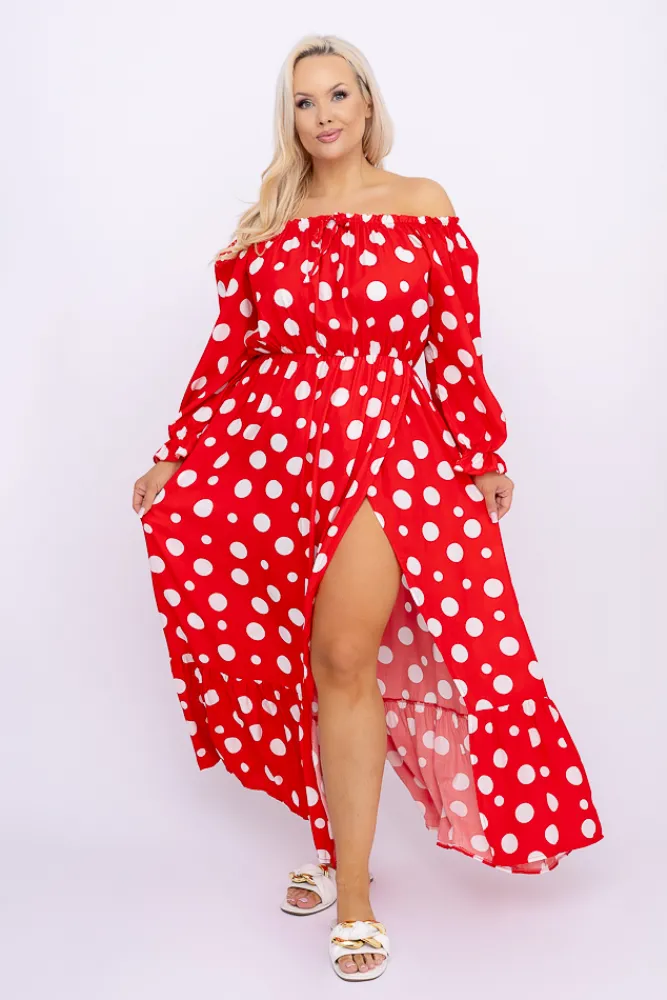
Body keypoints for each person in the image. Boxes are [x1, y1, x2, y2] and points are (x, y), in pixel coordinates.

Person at [132, 33, 604, 982]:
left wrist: (480, 451)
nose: (324, 115)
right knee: (298, 656)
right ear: (290, 119)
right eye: (304, 102)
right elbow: (230, 349)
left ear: (367, 101)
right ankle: (328, 835)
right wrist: (177, 452)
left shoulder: (421, 203)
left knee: (345, 653)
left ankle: (353, 893)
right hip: (277, 454)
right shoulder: (269, 220)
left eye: (337, 94)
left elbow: (454, 346)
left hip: (387, 441)